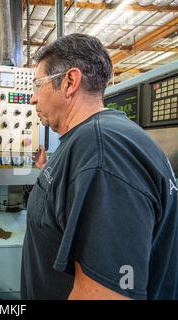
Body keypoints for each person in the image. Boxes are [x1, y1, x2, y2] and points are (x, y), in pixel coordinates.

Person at [21, 33, 178, 300]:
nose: (33, 99)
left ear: (70, 81)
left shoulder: (104, 149)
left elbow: (105, 293)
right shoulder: (89, 141)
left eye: (38, 85)